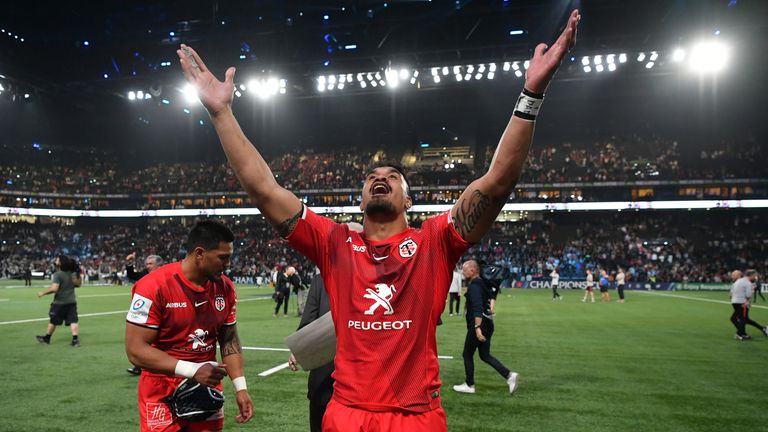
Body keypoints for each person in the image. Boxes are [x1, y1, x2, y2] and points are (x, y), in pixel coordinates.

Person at [177, 9, 579, 429]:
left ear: (409, 200)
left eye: (391, 177)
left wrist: (532, 91)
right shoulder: (334, 244)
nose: (379, 179)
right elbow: (265, 190)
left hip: (415, 416)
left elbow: (496, 183)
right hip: (347, 414)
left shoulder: (435, 242)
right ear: (361, 197)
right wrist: (221, 113)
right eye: (372, 177)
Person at [124, 220, 253, 431]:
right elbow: (135, 350)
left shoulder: (226, 288)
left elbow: (229, 339)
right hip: (161, 386)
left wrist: (240, 387)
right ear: (200, 253)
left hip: (206, 384)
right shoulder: (153, 286)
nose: (228, 264)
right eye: (223, 257)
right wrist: (192, 370)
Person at [452, 260, 518, 395]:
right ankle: (509, 376)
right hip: (488, 322)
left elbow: (477, 307)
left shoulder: (475, 286)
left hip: (480, 324)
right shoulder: (483, 283)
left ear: (472, 271)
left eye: (464, 270)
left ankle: (469, 385)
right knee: (485, 355)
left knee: (467, 354)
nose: (462, 272)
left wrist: (477, 328)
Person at [288, 268, 335, 432]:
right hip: (327, 379)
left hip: (328, 378)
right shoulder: (320, 280)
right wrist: (299, 349)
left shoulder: (320, 279)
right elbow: (308, 323)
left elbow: (308, 320)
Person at [125, 252, 165, 376]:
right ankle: (139, 366)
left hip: (163, 311)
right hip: (147, 312)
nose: (148, 266)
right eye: (147, 263)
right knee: (144, 340)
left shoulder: (167, 276)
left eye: (150, 264)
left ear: (159, 265)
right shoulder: (145, 275)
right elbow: (132, 275)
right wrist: (130, 263)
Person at [36, 255, 82, 347]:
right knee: (73, 320)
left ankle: (47, 339)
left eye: (57, 259)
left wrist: (43, 293)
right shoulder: (72, 273)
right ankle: (75, 340)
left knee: (53, 321)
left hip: (60, 302)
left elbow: (54, 288)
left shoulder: (58, 274)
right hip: (71, 301)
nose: (55, 260)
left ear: (61, 262)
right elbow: (78, 285)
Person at [730, 270, 768, 341]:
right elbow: (748, 295)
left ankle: (762, 329)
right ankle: (740, 334)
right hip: (742, 302)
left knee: (743, 318)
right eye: (755, 276)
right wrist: (747, 302)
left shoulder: (739, 281)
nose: (755, 277)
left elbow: (731, 293)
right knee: (743, 319)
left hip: (734, 302)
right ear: (752, 275)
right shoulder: (747, 283)